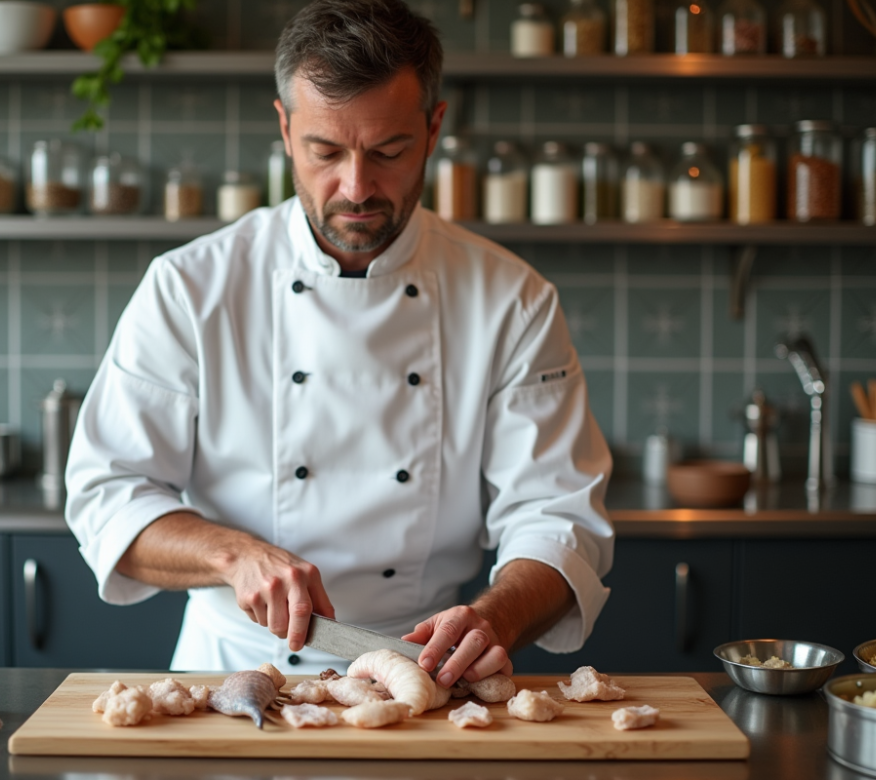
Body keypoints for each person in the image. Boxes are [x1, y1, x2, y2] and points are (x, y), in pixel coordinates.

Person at [65, 0, 613, 688]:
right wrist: (231, 556)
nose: (356, 188)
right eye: (326, 151)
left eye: (389, 151)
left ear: (435, 128)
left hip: (426, 675)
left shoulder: (512, 299)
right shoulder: (190, 286)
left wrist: (494, 620)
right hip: (231, 674)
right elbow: (107, 493)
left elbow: (557, 513)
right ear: (285, 128)